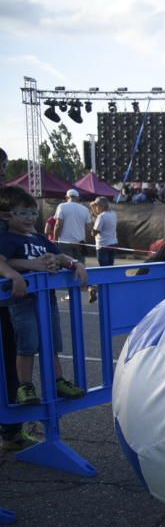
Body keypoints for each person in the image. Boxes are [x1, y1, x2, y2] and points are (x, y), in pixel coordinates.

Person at [0, 186, 87, 406]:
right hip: (23, 301)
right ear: (6, 216)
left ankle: (57, 380)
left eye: (32, 213)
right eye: (23, 213)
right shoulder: (8, 239)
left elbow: (60, 255)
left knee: (52, 342)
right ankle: (25, 386)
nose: (30, 218)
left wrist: (74, 263)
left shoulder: (39, 238)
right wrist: (14, 275)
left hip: (47, 300)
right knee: (27, 344)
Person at [0, 167, 41, 451]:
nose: (2, 172)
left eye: (3, 166)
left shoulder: (11, 203)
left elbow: (31, 246)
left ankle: (11, 431)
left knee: (11, 358)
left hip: (8, 301)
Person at [53, 189, 91, 264]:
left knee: (66, 266)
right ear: (78, 198)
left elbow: (58, 225)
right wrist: (85, 241)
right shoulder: (85, 209)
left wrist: (55, 240)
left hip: (65, 242)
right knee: (80, 266)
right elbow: (89, 227)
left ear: (67, 197)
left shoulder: (62, 206)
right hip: (80, 243)